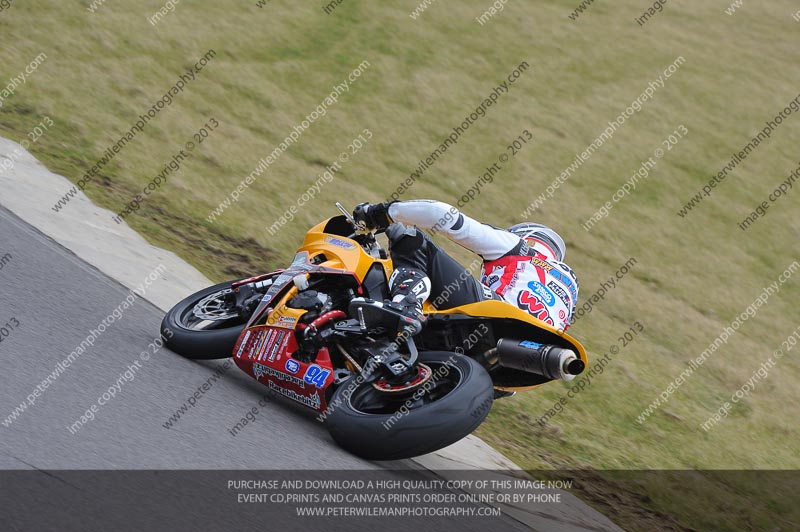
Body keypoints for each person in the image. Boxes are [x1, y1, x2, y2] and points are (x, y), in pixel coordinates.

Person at [349, 199, 579, 337]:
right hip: (532, 354)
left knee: (409, 236)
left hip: (498, 315)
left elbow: (446, 217)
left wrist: (383, 213)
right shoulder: (571, 291)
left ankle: (406, 306)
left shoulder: (519, 248)